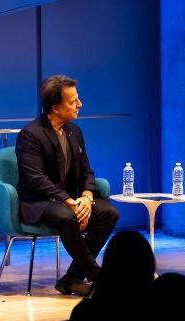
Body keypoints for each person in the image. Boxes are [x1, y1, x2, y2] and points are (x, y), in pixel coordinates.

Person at [16, 74, 119, 297]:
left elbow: (87, 171)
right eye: (73, 101)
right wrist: (68, 201)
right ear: (55, 108)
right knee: (66, 216)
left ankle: (71, 279)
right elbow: (36, 179)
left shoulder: (75, 131)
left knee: (109, 213)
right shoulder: (30, 134)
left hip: (72, 199)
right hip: (40, 201)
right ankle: (97, 276)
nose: (79, 104)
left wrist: (87, 197)